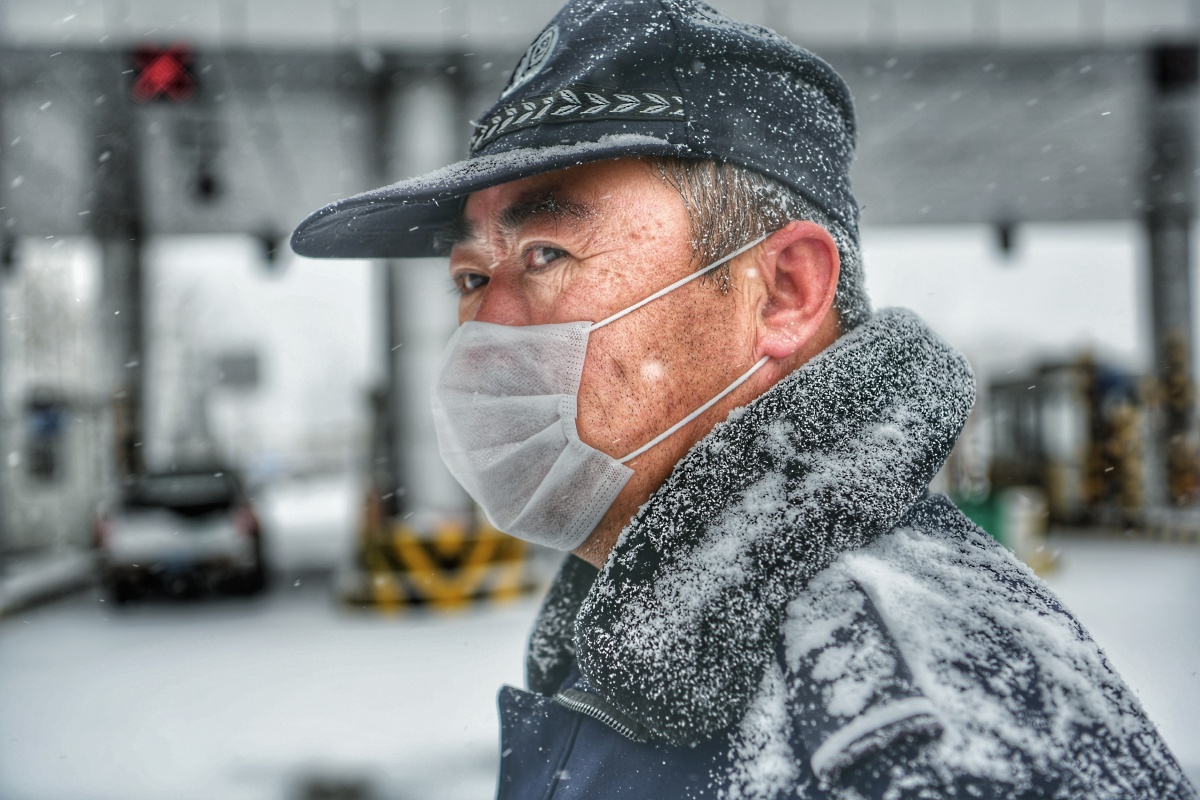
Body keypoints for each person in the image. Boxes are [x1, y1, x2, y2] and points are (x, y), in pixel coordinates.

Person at [292, 1, 1198, 797]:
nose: (482, 330)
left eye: (546, 257)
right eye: (470, 276)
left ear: (786, 291)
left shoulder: (913, 735)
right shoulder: (640, 604)